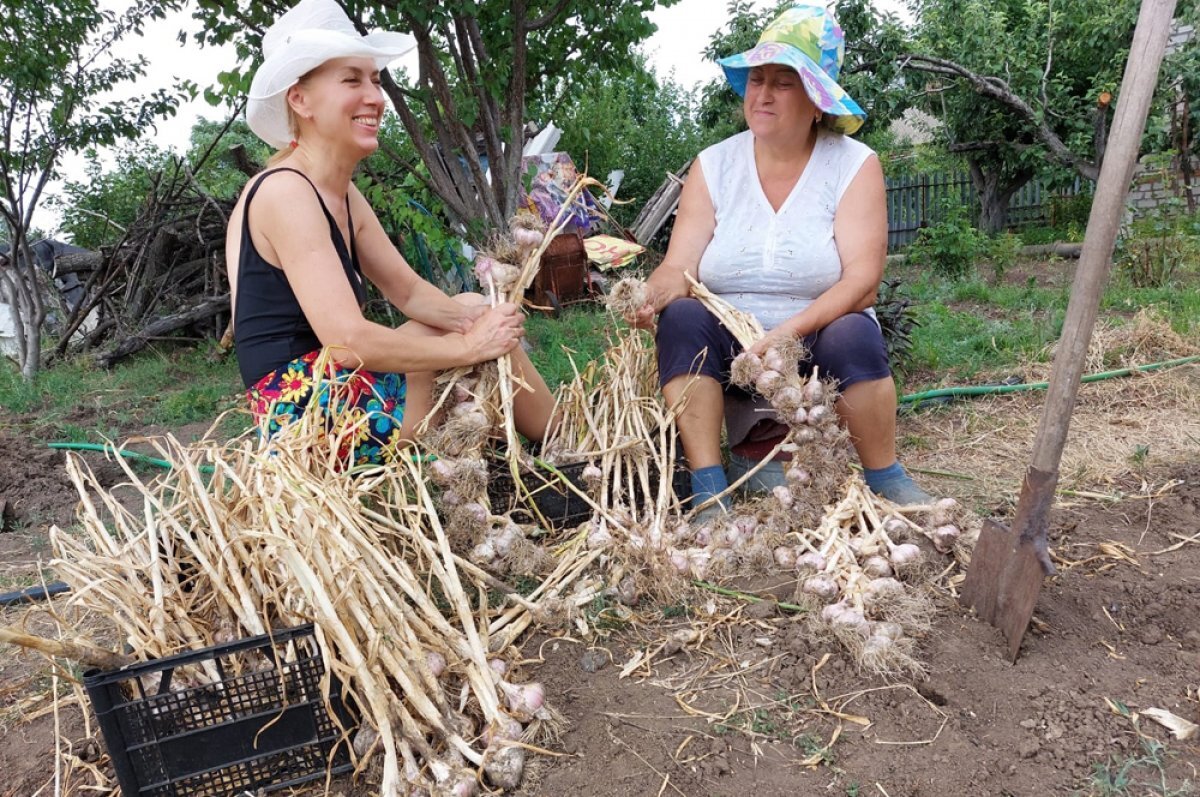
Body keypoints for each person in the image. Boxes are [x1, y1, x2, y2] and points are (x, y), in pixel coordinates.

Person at [625, 3, 930, 509]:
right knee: (680, 318)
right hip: (733, 346)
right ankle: (709, 488)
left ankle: (885, 475)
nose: (762, 94)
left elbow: (862, 282)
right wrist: (649, 296)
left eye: (783, 82)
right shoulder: (714, 165)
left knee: (855, 332)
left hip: (814, 338)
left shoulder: (853, 165)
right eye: (756, 79)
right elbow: (679, 267)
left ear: (817, 101)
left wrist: (787, 334)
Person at [226, 0, 555, 464]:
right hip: (306, 415)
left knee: (470, 308)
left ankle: (544, 440)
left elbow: (409, 293)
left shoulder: (340, 192)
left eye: (375, 80)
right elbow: (347, 342)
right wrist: (467, 345)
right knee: (468, 343)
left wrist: (481, 321)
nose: (375, 98)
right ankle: (566, 442)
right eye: (351, 80)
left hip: (338, 381)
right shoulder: (286, 192)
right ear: (299, 100)